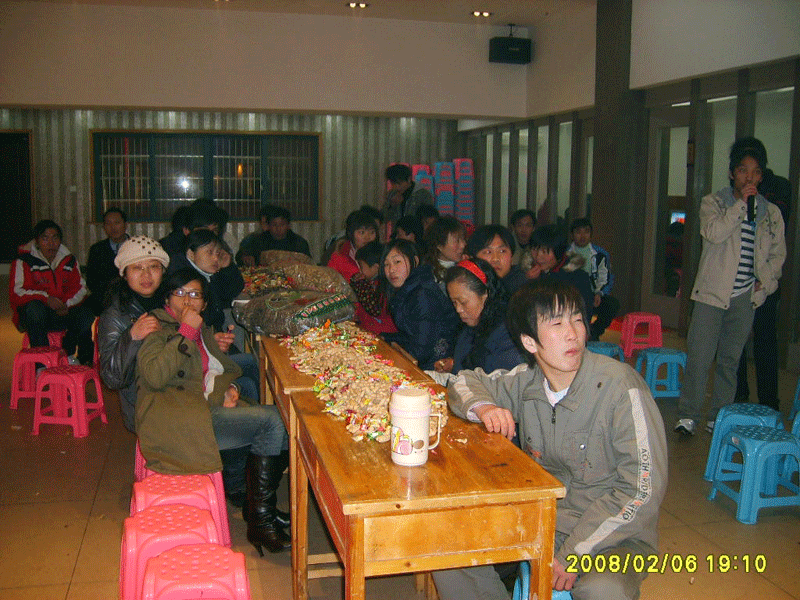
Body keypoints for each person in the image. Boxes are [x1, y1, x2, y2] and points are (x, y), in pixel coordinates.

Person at [433, 278, 667, 600]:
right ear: (529, 342)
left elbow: (642, 490)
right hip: (545, 521)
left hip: (616, 536)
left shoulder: (621, 388)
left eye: (577, 320)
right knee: (448, 546)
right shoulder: (528, 381)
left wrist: (575, 552)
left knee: (602, 590)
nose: (573, 334)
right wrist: (484, 407)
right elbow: (463, 382)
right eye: (557, 324)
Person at [136, 268, 290, 555]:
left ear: (205, 303)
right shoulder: (158, 328)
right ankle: (260, 519)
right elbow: (155, 376)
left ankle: (257, 508)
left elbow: (216, 371)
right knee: (272, 421)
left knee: (283, 423)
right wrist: (186, 331)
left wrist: (230, 389)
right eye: (179, 293)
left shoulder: (201, 329)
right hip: (179, 421)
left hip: (201, 407)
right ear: (167, 299)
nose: (187, 301)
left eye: (195, 294)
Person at [675, 138, 786, 435]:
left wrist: (766, 283)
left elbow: (777, 255)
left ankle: (718, 416)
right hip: (711, 294)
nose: (749, 178)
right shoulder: (714, 203)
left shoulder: (771, 213)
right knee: (700, 356)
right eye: (743, 170)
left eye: (756, 172)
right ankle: (688, 416)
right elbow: (713, 233)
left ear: (761, 176)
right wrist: (740, 207)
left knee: (730, 361)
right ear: (732, 173)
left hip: (745, 296)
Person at [98, 235, 170, 433]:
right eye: (137, 267)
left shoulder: (172, 301)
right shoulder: (115, 314)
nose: (147, 275)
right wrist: (132, 337)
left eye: (154, 266)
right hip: (143, 402)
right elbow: (111, 378)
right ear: (124, 274)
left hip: (177, 388)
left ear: (163, 271)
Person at [735, 167, 791, 411]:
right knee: (735, 339)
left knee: (765, 340)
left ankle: (769, 401)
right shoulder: (735, 193)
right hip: (739, 280)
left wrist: (764, 278)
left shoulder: (779, 189)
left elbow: (777, 248)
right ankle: (739, 394)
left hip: (766, 280)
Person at [10, 219, 94, 365]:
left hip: (62, 310)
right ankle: (42, 364)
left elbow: (80, 288)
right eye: (45, 238)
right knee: (35, 310)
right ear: (37, 241)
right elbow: (17, 292)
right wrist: (46, 299)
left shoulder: (69, 260)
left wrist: (66, 304)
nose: (51, 243)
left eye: (55, 238)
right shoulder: (24, 261)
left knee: (86, 314)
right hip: (36, 315)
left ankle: (71, 356)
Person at [430, 258, 523, 379]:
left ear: (485, 294)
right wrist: (454, 363)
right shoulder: (471, 325)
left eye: (463, 302)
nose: (458, 309)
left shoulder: (507, 333)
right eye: (454, 302)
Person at [381, 239, 460, 370]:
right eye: (386, 264)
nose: (391, 270)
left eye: (397, 262)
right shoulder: (408, 290)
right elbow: (412, 335)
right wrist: (385, 338)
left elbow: (422, 350)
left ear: (415, 261)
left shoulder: (423, 294)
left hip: (438, 366)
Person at [568, 218, 620, 341]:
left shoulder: (600, 254)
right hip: (571, 295)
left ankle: (594, 332)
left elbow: (605, 276)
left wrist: (599, 293)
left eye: (586, 232)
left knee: (612, 305)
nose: (582, 236)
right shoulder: (566, 253)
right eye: (578, 232)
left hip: (593, 294)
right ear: (572, 234)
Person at [529, 224, 594, 320]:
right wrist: (528, 282)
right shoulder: (526, 271)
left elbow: (585, 314)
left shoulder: (577, 278)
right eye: (534, 249)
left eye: (545, 251)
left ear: (559, 252)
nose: (538, 256)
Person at [86, 207, 129, 315]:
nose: (113, 227)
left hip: (131, 298)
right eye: (108, 224)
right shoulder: (97, 249)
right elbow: (91, 281)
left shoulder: (136, 247)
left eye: (117, 223)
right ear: (104, 227)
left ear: (125, 225)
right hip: (104, 300)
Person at [235, 205, 311, 266]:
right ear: (268, 226)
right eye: (274, 225)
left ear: (288, 225)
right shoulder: (257, 240)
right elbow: (240, 256)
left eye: (282, 225)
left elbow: (307, 262)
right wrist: (245, 258)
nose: (278, 228)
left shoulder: (299, 242)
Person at [464, 224, 527, 296]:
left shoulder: (523, 289)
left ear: (511, 256)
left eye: (502, 251)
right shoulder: (465, 289)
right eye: (488, 252)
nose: (495, 259)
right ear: (473, 258)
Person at [350, 240, 396, 335]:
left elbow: (374, 309)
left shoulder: (385, 287)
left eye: (362, 267)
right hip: (368, 329)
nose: (360, 270)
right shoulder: (370, 282)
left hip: (382, 334)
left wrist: (360, 284)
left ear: (376, 267)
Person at [327, 209, 379, 283]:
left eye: (372, 232)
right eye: (362, 232)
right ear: (351, 234)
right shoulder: (339, 256)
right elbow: (328, 282)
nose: (367, 237)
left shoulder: (382, 254)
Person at [422, 215, 467, 292]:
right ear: (439, 245)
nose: (463, 245)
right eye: (457, 241)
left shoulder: (464, 266)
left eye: (463, 239)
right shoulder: (429, 276)